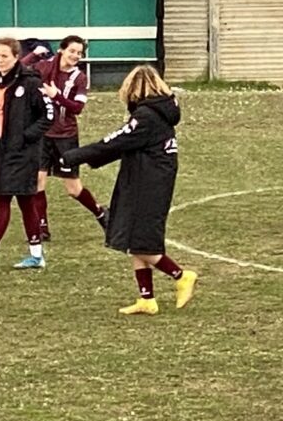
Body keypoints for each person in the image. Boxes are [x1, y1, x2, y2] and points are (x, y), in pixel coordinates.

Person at [60, 65, 193, 315]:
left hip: (149, 181)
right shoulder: (158, 113)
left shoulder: (147, 116)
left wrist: (73, 157)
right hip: (144, 176)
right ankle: (146, 298)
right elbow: (125, 146)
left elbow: (116, 142)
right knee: (134, 238)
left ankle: (181, 275)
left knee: (143, 242)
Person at [0, 38, 54, 271]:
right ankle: (36, 255)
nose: (0, 61)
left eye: (5, 56)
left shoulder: (31, 82)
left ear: (16, 57)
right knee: (26, 202)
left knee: (3, 199)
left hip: (23, 153)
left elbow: (48, 115)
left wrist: (26, 136)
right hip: (3, 152)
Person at [34, 35, 108, 228]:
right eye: (72, 51)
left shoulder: (80, 78)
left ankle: (100, 213)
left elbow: (76, 108)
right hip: (43, 135)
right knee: (37, 179)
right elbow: (20, 70)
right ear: (61, 50)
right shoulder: (44, 67)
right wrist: (32, 55)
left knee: (73, 188)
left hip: (65, 136)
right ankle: (41, 226)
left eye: (79, 53)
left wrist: (56, 96)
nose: (75, 55)